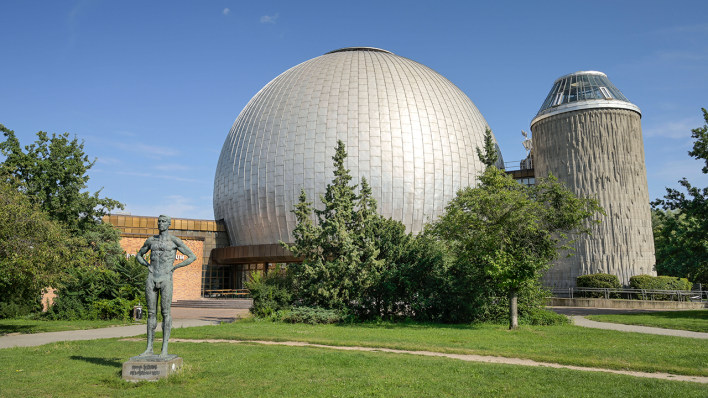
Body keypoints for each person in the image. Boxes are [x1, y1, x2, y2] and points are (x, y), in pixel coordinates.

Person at [135, 214, 196, 357]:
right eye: (159, 221)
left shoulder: (174, 241)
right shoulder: (151, 241)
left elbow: (192, 256)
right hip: (151, 277)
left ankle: (164, 349)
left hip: (166, 279)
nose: (160, 224)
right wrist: (147, 265)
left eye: (163, 222)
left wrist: (175, 267)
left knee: (165, 312)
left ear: (169, 224)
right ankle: (149, 348)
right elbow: (139, 255)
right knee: (151, 313)